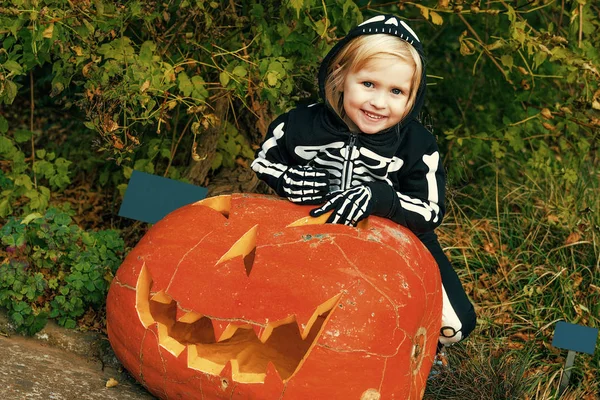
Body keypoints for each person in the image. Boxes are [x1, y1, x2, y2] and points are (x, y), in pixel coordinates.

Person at [251, 14, 476, 347]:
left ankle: (418, 356)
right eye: (368, 84)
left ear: (412, 97)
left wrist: (380, 198)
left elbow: (431, 211)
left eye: (396, 91)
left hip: (396, 239)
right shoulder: (299, 123)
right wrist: (289, 179)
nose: (379, 102)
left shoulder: (418, 144)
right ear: (340, 76)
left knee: (456, 326)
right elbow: (263, 161)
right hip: (310, 229)